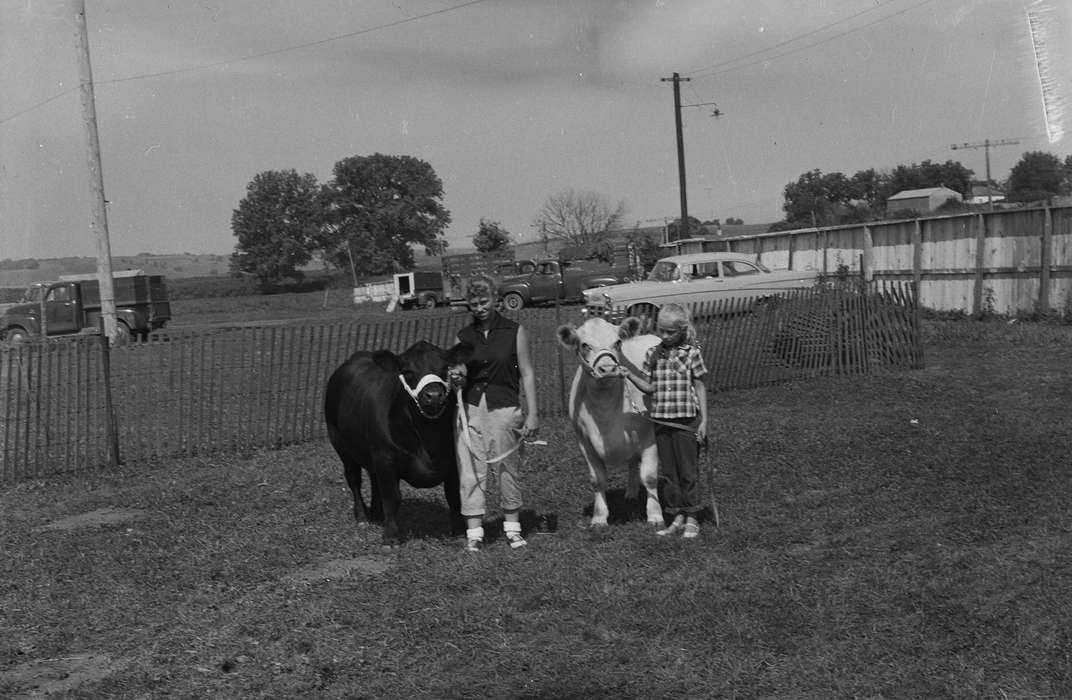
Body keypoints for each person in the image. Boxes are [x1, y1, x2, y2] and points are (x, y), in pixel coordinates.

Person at [450, 275, 539, 552]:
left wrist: (533, 413)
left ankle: (512, 529)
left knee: (506, 469)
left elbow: (527, 372)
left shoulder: (514, 331)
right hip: (471, 410)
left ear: (495, 300)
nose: (479, 307)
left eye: (484, 301)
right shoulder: (463, 337)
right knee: (470, 471)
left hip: (504, 407)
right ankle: (474, 533)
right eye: (473, 303)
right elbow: (459, 373)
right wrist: (456, 377)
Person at [614, 304, 708, 538]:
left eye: (669, 332)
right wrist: (630, 375)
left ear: (681, 331)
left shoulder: (691, 353)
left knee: (688, 471)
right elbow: (650, 387)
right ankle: (677, 516)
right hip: (662, 423)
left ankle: (693, 517)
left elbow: (700, 386)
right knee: (669, 473)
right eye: (661, 331)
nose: (664, 336)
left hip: (686, 423)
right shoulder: (653, 354)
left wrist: (704, 421)